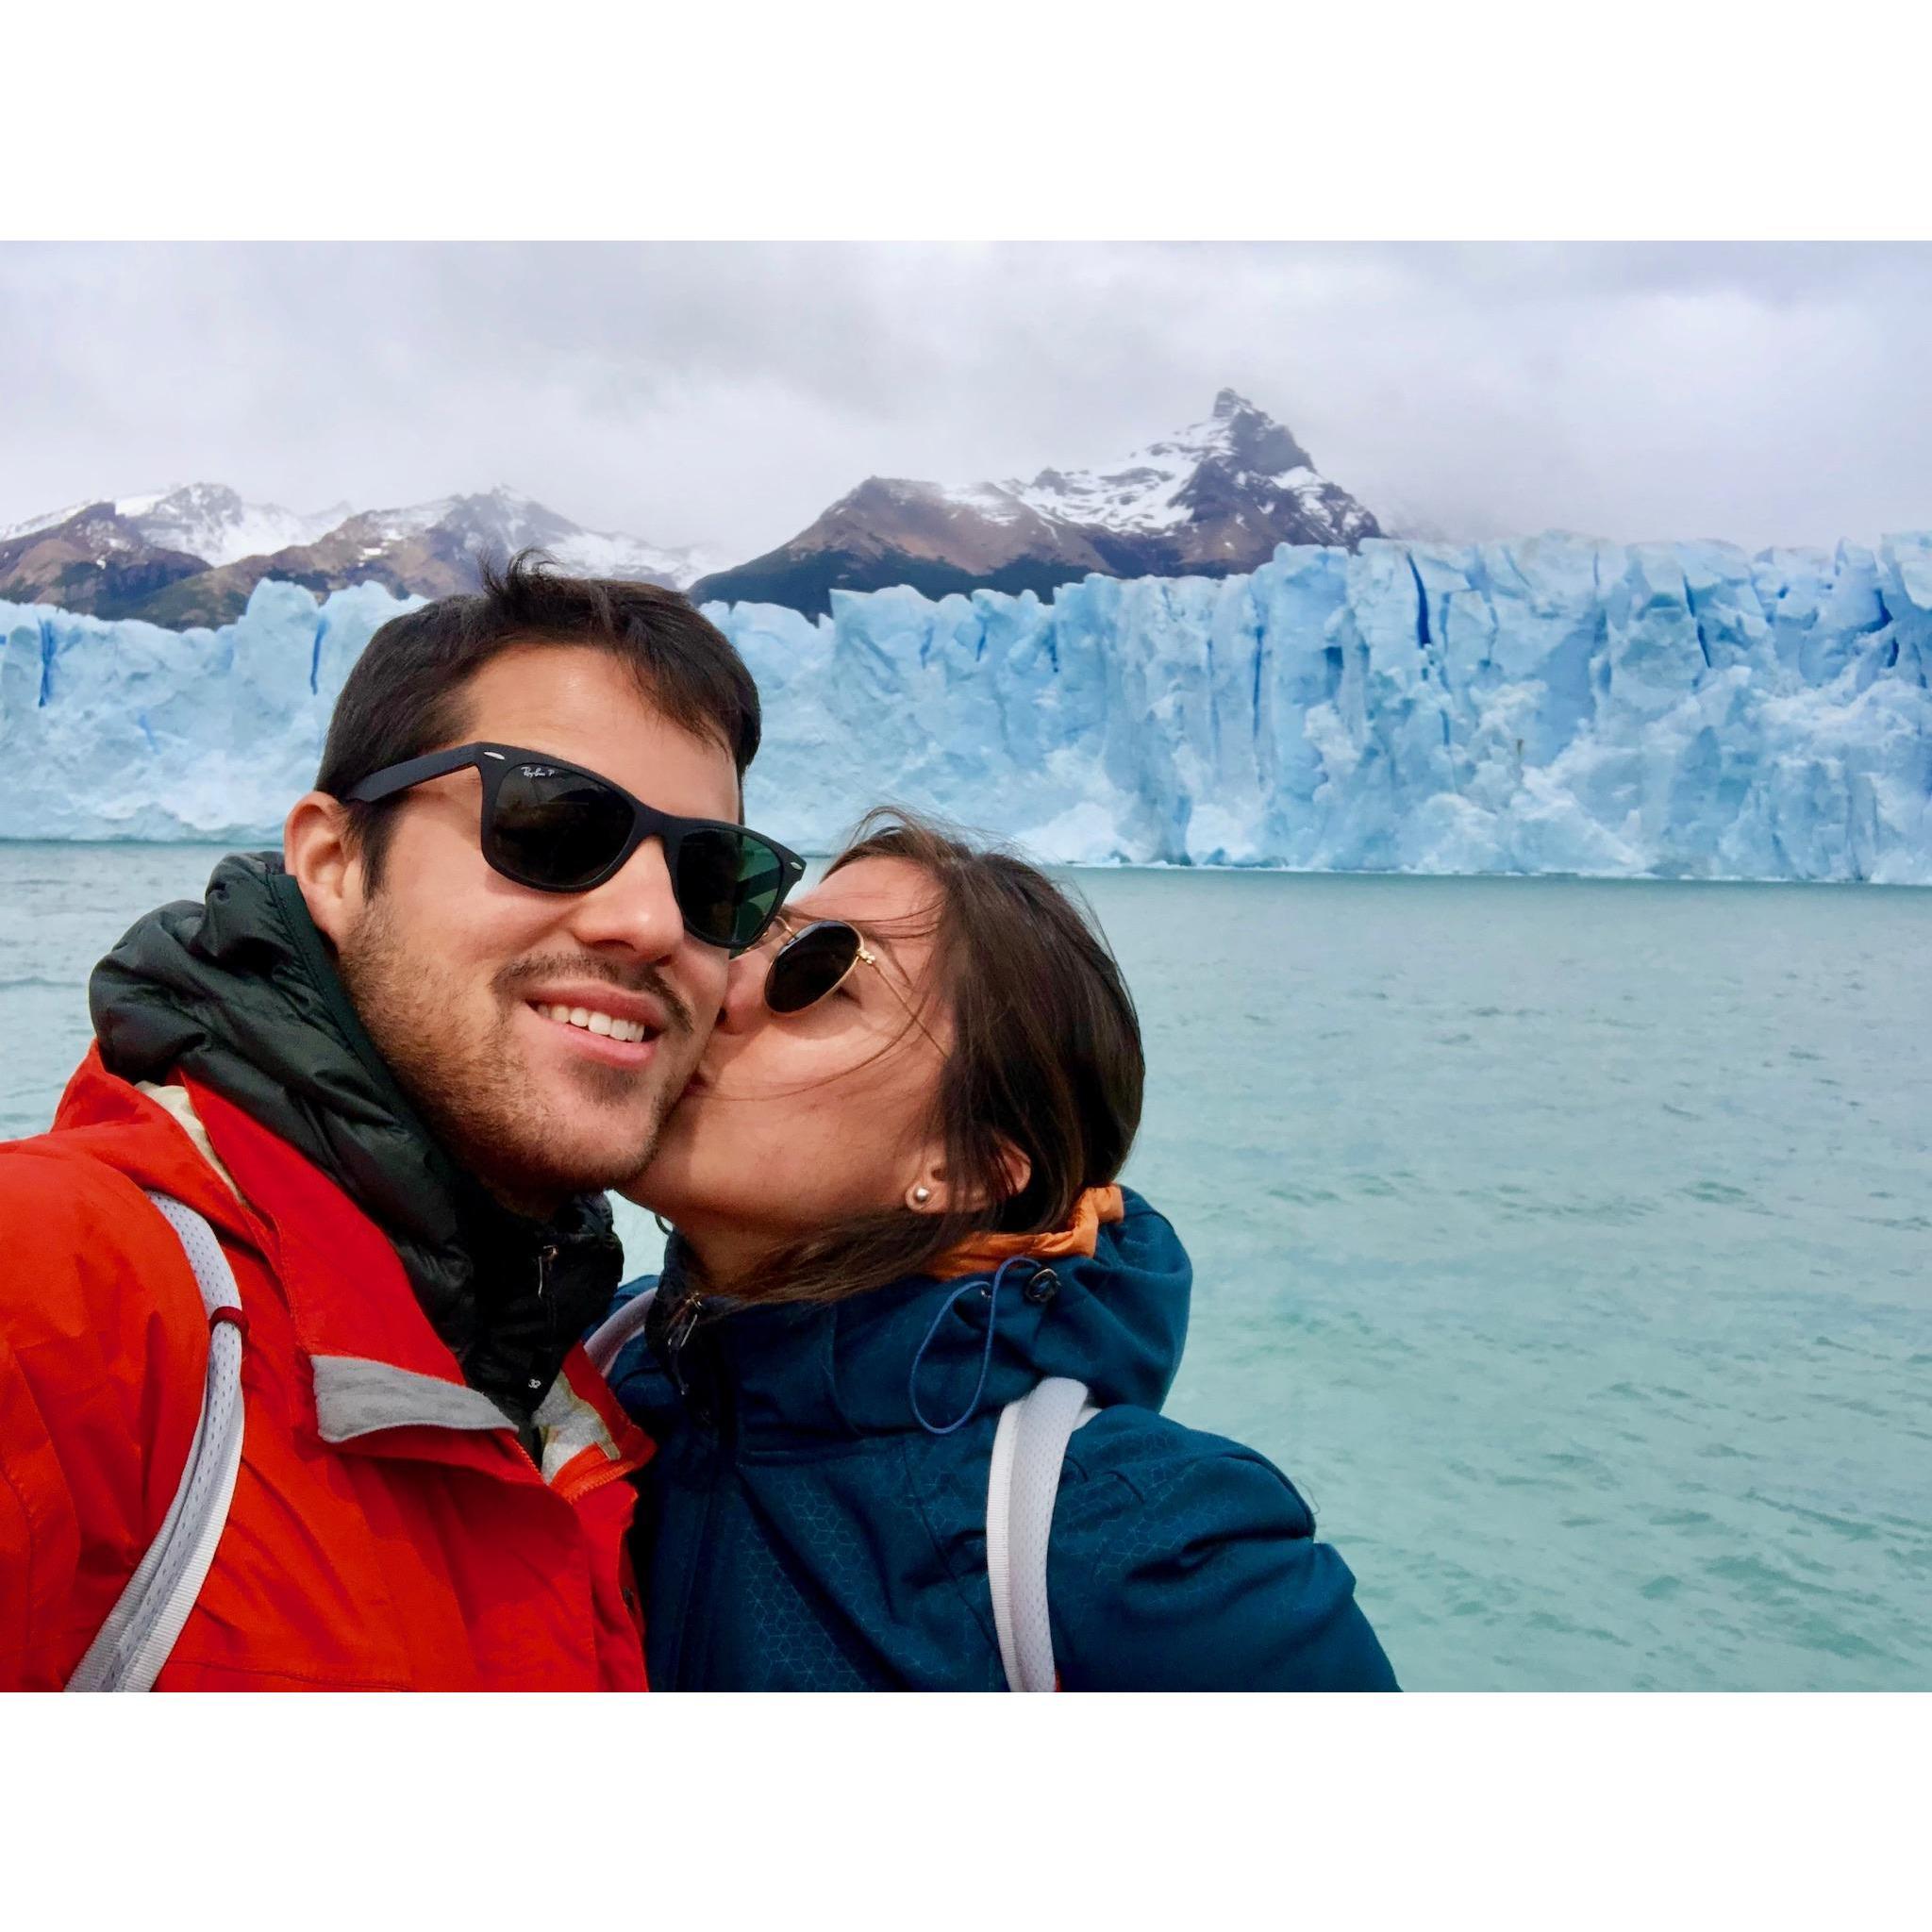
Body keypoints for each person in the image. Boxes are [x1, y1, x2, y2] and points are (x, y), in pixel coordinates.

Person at [0, 554, 803, 1690]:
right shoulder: (58, 1286)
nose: (650, 920)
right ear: (333, 863)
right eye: (551, 822)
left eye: (711, 876)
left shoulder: (575, 1386)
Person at [605, 809, 1398, 1690]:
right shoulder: (577, 1377)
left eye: (821, 970)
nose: (718, 986)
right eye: (743, 935)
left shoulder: (1151, 1556)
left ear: (967, 1166)